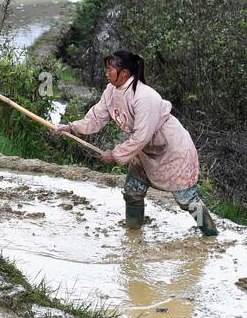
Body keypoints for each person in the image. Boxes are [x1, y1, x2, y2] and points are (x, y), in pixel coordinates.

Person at [56, 49, 216, 236]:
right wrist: (71, 127)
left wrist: (115, 155)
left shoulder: (145, 97)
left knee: (187, 200)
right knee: (133, 191)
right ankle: (133, 235)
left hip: (172, 149)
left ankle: (211, 234)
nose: (107, 74)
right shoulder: (111, 91)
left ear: (124, 73)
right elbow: (96, 117)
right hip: (145, 150)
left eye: (110, 70)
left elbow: (141, 136)